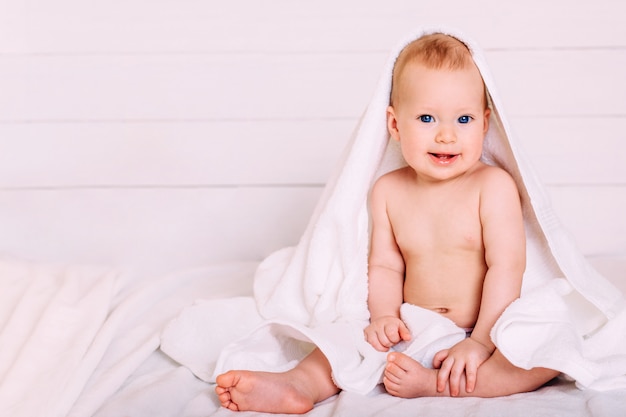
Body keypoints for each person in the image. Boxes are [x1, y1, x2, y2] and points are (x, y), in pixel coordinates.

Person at [215, 33, 559, 414]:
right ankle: (298, 384)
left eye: (464, 119)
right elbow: (385, 265)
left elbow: (507, 266)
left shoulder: (492, 187)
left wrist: (480, 343)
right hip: (412, 326)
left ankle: (436, 385)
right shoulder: (388, 191)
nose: (447, 134)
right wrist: (383, 317)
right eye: (427, 118)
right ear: (395, 125)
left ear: (485, 124)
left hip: (485, 328)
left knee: (542, 354)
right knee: (342, 343)